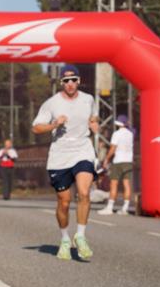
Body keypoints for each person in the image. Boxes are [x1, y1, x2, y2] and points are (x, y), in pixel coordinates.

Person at [31, 65, 99, 260]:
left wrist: (94, 124)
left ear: (79, 81)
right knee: (64, 201)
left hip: (82, 150)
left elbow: (93, 116)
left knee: (84, 192)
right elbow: (36, 128)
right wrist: (54, 124)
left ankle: (81, 236)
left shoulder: (88, 99)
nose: (70, 84)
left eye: (74, 80)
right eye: (66, 80)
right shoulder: (51, 104)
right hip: (60, 155)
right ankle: (65, 239)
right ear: (61, 83)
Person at [98, 114, 134, 215]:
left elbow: (113, 148)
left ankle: (109, 208)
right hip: (128, 161)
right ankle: (125, 208)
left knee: (114, 184)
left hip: (118, 161)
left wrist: (106, 159)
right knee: (127, 185)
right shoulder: (130, 134)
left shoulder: (117, 134)